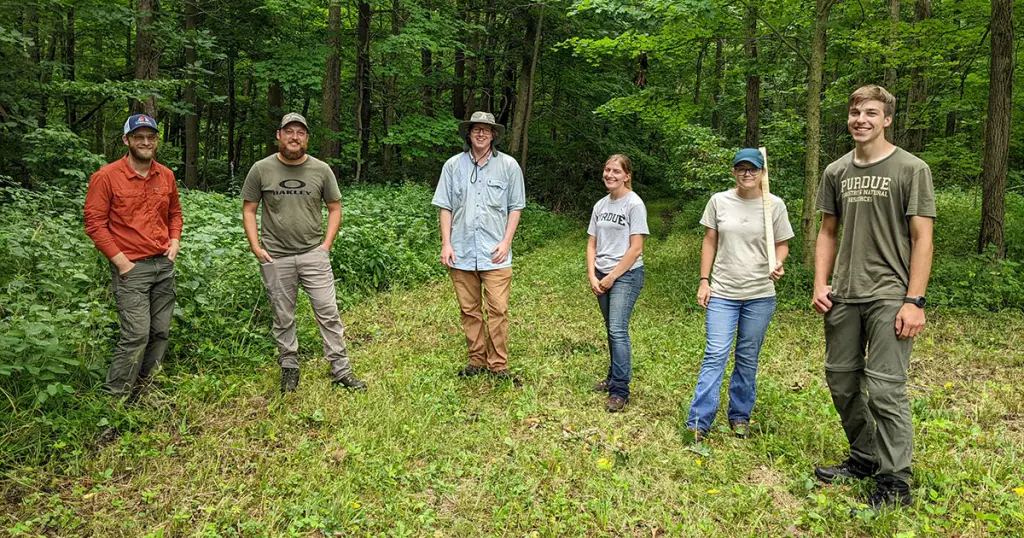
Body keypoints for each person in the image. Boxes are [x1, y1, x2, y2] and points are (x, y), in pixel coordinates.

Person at [813, 85, 935, 511]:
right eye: (854, 112)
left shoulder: (911, 168)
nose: (860, 119)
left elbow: (923, 239)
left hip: (890, 294)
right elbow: (828, 232)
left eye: (870, 112)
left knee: (886, 390)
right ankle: (865, 458)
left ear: (886, 120)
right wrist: (820, 282)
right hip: (844, 293)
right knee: (841, 380)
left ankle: (895, 480)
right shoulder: (836, 171)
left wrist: (914, 301)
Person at [241, 112, 366, 393]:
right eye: (289, 132)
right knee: (282, 315)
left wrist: (326, 247)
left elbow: (335, 207)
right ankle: (289, 368)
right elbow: (249, 209)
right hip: (275, 256)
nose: (294, 137)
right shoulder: (261, 169)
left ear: (307, 138)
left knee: (328, 311)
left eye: (300, 132)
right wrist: (256, 247)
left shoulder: (321, 170)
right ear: (279, 135)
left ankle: (341, 370)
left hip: (313, 254)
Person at [685, 148, 793, 439]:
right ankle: (698, 421)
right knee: (716, 354)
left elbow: (782, 243)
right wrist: (704, 280)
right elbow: (709, 241)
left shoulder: (775, 205)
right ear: (733, 171)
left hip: (760, 294)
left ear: (762, 172)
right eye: (742, 168)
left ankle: (740, 416)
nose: (747, 173)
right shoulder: (719, 201)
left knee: (747, 356)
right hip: (722, 292)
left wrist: (778, 261)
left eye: (753, 169)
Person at [84, 114, 182, 399]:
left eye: (150, 137)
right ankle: (115, 398)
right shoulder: (106, 177)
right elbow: (95, 224)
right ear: (126, 140)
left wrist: (174, 242)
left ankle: (147, 388)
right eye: (139, 137)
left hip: (163, 264)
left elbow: (175, 213)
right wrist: (121, 262)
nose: (146, 142)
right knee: (136, 334)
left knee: (160, 331)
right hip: (132, 269)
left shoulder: (165, 175)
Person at [432, 111, 526, 385]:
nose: (481, 134)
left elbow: (515, 207)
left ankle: (498, 365)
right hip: (461, 252)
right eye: (476, 129)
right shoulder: (452, 166)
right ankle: (476, 359)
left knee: (498, 310)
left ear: (494, 135)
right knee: (469, 310)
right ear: (468, 134)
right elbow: (445, 207)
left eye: (487, 130)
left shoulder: (509, 166)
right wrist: (446, 243)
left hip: (495, 253)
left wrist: (506, 242)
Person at [586, 155, 649, 412]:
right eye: (607, 170)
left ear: (627, 175)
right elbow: (592, 243)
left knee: (617, 330)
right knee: (611, 328)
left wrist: (612, 277)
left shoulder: (634, 205)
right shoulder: (600, 205)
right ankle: (613, 375)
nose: (609, 175)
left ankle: (620, 390)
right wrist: (593, 275)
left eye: (616, 171)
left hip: (626, 275)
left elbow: (636, 248)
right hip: (601, 275)